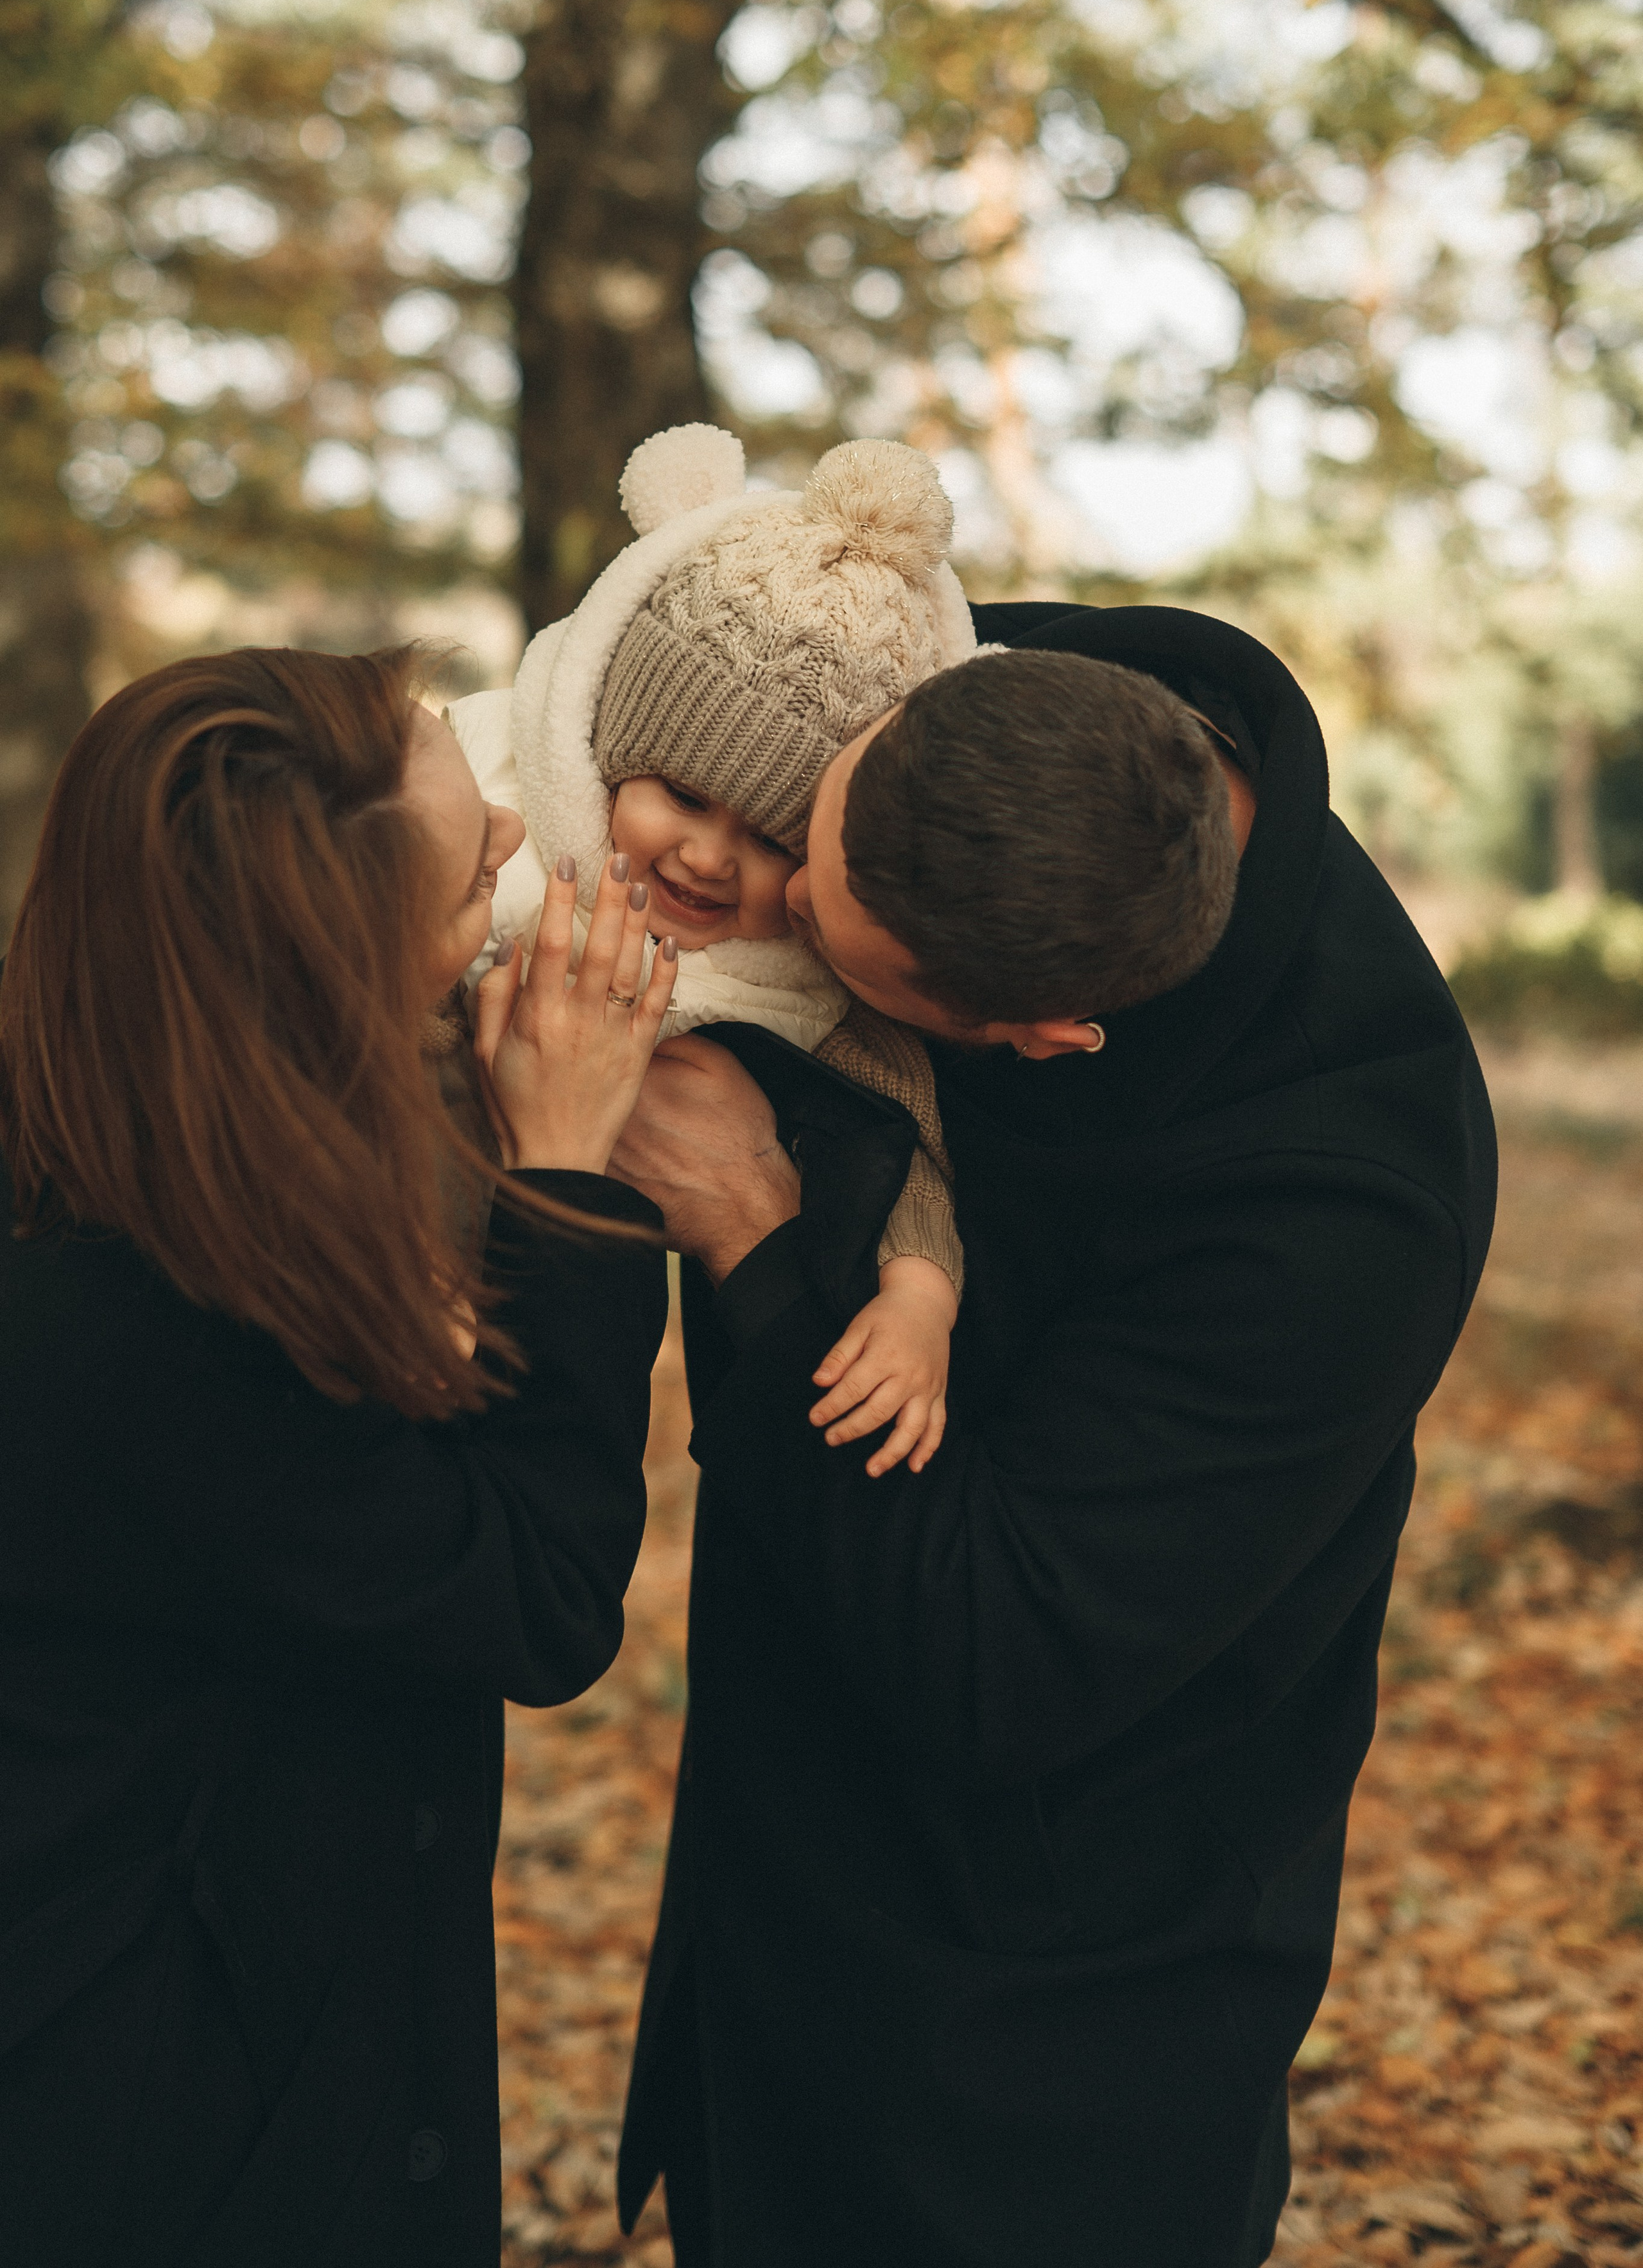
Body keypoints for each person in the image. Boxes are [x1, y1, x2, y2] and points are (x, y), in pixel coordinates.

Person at [610, 601, 1497, 2268]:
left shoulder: (1339, 1209)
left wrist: (747, 1230)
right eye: (815, 833)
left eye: (833, 935)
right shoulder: (949, 674)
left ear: (1034, 1043)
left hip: (1039, 2037)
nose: (769, 900)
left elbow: (1000, 1659)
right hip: (770, 1877)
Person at [0, 644, 680, 2268]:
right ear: (341, 975)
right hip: (182, 2111)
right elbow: (529, 1596)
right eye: (466, 876)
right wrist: (572, 1180)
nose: (515, 840)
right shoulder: (140, 1331)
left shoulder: (119, 1138)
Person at [449, 421, 982, 1476]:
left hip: (564, 1326)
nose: (704, 857)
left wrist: (920, 1303)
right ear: (605, 754)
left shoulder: (804, 986)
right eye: (681, 796)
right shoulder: (499, 833)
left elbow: (907, 1138)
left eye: (773, 839)